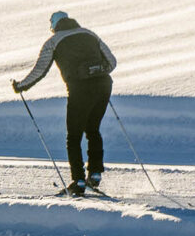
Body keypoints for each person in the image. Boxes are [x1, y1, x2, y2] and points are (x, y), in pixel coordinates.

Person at [14, 10, 118, 195]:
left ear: (54, 26)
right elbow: (112, 62)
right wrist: (98, 73)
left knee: (74, 136)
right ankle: (94, 174)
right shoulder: (89, 33)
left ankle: (77, 181)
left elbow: (40, 69)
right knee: (93, 129)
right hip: (103, 85)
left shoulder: (53, 42)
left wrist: (21, 86)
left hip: (80, 89)